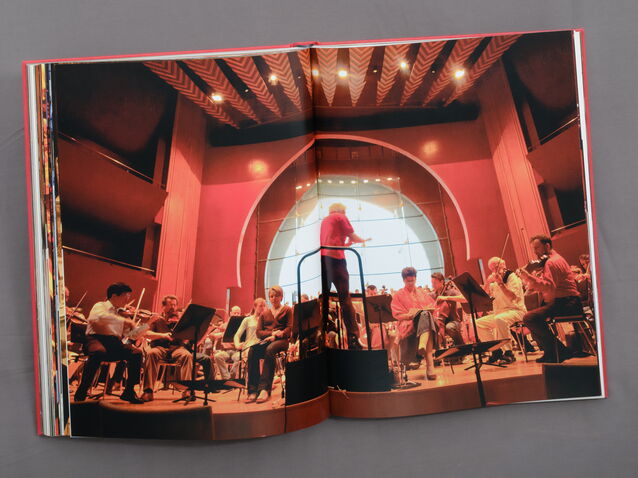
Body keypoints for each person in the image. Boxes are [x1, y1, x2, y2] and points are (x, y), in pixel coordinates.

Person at [74, 283, 145, 403]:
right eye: (125, 296)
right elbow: (99, 318)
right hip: (95, 339)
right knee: (98, 352)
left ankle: (128, 392)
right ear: (114, 296)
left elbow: (130, 335)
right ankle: (82, 390)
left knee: (136, 353)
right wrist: (124, 320)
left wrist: (145, 326)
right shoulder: (100, 306)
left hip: (114, 343)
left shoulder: (121, 313)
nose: (127, 300)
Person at [517, 235, 583, 363]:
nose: (535, 252)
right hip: (566, 301)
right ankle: (551, 352)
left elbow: (548, 287)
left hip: (567, 303)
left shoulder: (552, 262)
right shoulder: (555, 259)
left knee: (530, 318)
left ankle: (559, 351)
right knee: (533, 315)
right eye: (533, 249)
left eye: (537, 248)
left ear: (547, 246)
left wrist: (529, 277)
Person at [141, 295, 214, 402]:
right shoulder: (157, 319)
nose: (173, 308)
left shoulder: (180, 320)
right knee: (151, 353)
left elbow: (190, 339)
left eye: (175, 305)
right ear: (163, 306)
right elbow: (146, 333)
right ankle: (148, 391)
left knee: (187, 355)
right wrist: (162, 335)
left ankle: (186, 390)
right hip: (160, 348)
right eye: (170, 305)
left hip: (177, 348)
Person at [320, 202, 370, 350]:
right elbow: (353, 236)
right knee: (345, 300)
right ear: (341, 210)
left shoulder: (325, 221)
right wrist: (362, 240)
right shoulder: (340, 217)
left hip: (324, 259)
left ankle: (321, 336)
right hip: (337, 261)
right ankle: (353, 338)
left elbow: (332, 241)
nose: (346, 214)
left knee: (324, 300)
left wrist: (346, 244)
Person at [391, 267, 439, 380]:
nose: (411, 283)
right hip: (408, 323)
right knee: (426, 318)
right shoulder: (398, 295)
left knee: (425, 315)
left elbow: (433, 306)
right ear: (404, 280)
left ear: (415, 279)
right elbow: (397, 315)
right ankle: (430, 366)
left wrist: (427, 310)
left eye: (412, 281)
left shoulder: (422, 292)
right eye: (408, 281)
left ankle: (422, 345)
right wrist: (409, 315)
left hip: (424, 322)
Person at [246, 286, 292, 403]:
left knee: (270, 349)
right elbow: (258, 332)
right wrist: (271, 334)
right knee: (252, 350)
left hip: (281, 341)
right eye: (271, 296)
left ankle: (264, 389)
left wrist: (279, 334)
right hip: (268, 340)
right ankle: (253, 390)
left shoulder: (287, 310)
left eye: (276, 296)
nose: (273, 298)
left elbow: (289, 328)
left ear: (281, 297)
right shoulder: (264, 313)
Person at [476, 257, 527, 364]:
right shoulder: (494, 281)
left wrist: (501, 283)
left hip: (516, 311)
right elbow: (483, 296)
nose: (495, 270)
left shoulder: (512, 277)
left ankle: (509, 353)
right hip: (500, 313)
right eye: (492, 269)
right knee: (478, 323)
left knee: (500, 319)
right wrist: (487, 282)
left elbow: (512, 297)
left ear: (504, 265)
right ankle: (495, 351)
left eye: (497, 267)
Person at [430, 272, 465, 347]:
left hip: (453, 321)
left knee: (449, 327)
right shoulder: (432, 295)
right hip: (438, 321)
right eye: (432, 283)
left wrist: (446, 298)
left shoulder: (451, 292)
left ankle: (461, 346)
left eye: (435, 283)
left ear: (442, 282)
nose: (433, 285)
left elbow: (464, 298)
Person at [211, 306, 242, 380]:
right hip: (225, 351)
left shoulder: (242, 326)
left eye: (238, 313)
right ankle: (226, 378)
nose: (236, 315)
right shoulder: (224, 325)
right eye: (235, 313)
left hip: (236, 351)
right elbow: (212, 335)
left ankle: (232, 378)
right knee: (218, 356)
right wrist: (218, 335)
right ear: (230, 313)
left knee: (239, 357)